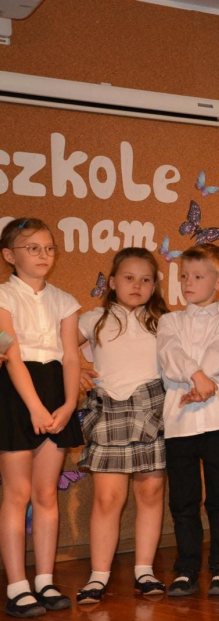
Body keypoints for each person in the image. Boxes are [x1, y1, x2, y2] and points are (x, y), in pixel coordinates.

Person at [75, 247, 170, 604]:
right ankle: (98, 576)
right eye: (129, 278)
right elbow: (60, 346)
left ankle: (144, 571)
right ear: (113, 282)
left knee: (151, 492)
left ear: (154, 286)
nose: (137, 285)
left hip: (151, 410)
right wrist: (78, 368)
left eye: (145, 280)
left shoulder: (163, 322)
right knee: (107, 498)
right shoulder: (94, 320)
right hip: (110, 411)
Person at [0, 218, 82, 618]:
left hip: (55, 389)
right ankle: (17, 585)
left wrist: (68, 404)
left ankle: (45, 579)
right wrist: (33, 406)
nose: (43, 255)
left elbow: (71, 356)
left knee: (46, 492)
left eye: (49, 248)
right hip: (17, 392)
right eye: (32, 248)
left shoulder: (65, 300)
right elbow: (11, 354)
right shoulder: (3, 295)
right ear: (9, 255)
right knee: (17, 493)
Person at [156, 243, 219, 597]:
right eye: (184, 276)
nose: (188, 283)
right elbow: (170, 354)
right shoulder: (169, 321)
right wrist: (198, 378)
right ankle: (186, 568)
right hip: (179, 421)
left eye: (197, 276)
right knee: (183, 500)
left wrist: (200, 381)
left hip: (218, 420)